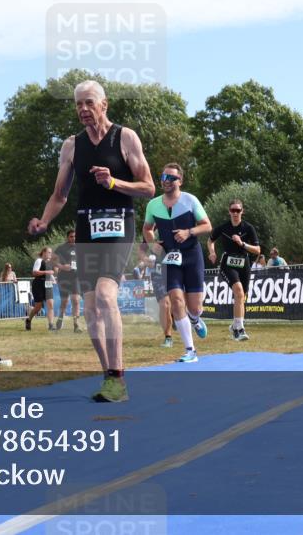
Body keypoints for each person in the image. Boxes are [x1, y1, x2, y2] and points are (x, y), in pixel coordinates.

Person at [28, 80, 154, 402]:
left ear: (104, 104)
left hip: (119, 223)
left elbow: (148, 187)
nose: (83, 109)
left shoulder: (125, 137)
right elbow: (60, 195)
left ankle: (118, 377)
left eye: (89, 103)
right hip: (86, 225)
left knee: (106, 295)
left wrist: (113, 182)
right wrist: (44, 220)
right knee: (90, 309)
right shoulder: (71, 146)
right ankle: (109, 375)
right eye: (78, 104)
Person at [143, 163, 212, 363]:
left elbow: (207, 225)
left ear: (180, 181)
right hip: (170, 257)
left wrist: (189, 232)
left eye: (171, 178)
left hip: (192, 255)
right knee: (175, 300)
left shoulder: (190, 200)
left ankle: (195, 318)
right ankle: (190, 350)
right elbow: (147, 228)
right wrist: (152, 244)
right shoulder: (153, 205)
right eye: (164, 177)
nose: (166, 180)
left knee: (195, 307)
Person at [207, 198, 261, 341]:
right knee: (238, 291)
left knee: (241, 296)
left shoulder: (248, 228)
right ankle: (239, 330)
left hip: (244, 263)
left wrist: (242, 244)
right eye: (233, 210)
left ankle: (235, 325)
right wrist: (212, 252)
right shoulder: (223, 227)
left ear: (242, 211)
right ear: (229, 212)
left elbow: (257, 250)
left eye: (238, 210)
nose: (235, 213)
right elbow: (210, 240)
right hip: (228, 263)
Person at [53, 229, 82, 333]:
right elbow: (52, 260)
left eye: (75, 236)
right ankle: (61, 317)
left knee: (76, 300)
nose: (73, 238)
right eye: (71, 236)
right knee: (64, 301)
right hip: (63, 277)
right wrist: (61, 266)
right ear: (67, 237)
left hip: (76, 277)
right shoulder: (61, 248)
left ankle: (76, 324)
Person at [25, 247, 56, 331]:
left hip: (48, 284)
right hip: (38, 284)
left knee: (50, 304)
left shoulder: (49, 262)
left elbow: (50, 273)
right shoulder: (39, 261)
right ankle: (28, 320)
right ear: (44, 252)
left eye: (51, 252)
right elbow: (34, 272)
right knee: (38, 307)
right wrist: (47, 272)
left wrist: (54, 280)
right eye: (49, 252)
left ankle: (51, 325)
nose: (50, 254)